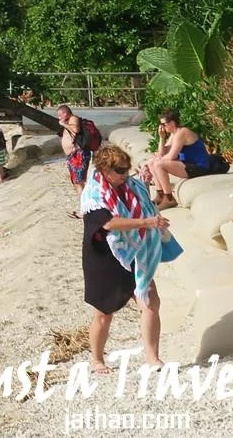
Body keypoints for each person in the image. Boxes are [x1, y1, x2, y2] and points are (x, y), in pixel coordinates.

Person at [79, 144, 180, 373]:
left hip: (135, 251)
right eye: (120, 171)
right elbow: (109, 223)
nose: (126, 175)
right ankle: (97, 360)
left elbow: (139, 203)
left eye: (127, 169)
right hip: (105, 256)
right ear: (105, 170)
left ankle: (153, 358)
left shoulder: (129, 184)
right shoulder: (93, 193)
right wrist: (147, 223)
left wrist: (143, 183)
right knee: (104, 312)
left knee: (151, 301)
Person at [143, 110, 213, 208]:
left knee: (159, 164)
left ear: (172, 123)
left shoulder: (182, 132)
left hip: (199, 167)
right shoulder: (174, 134)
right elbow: (162, 152)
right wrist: (162, 138)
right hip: (187, 164)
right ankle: (160, 195)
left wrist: (159, 158)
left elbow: (172, 156)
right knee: (151, 162)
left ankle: (169, 199)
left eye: (164, 124)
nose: (162, 127)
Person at [58, 105, 96, 215]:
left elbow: (76, 130)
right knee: (77, 182)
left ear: (65, 113)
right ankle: (84, 207)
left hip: (78, 155)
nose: (59, 117)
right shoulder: (68, 121)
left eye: (60, 115)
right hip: (73, 156)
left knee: (79, 182)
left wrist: (64, 124)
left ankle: (84, 209)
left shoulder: (73, 119)